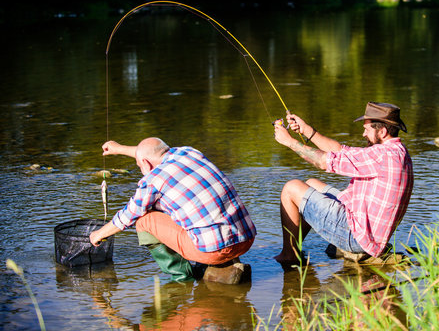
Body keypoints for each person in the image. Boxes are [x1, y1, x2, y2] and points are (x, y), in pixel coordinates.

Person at [90, 137, 256, 281]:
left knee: (143, 220)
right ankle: (223, 265)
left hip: (214, 251)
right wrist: (119, 149)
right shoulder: (189, 152)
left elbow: (127, 216)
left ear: (145, 164)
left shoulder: (153, 180)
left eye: (139, 165)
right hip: (246, 239)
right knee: (177, 203)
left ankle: (182, 277)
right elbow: (153, 152)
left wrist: (99, 234)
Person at [273, 102, 413, 264]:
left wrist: (290, 142)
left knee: (291, 188)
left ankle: (289, 256)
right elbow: (340, 150)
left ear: (382, 131)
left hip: (358, 237)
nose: (363, 134)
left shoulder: (381, 155)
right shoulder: (397, 151)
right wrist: (306, 130)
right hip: (368, 231)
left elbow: (323, 162)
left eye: (366, 129)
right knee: (311, 183)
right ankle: (295, 249)